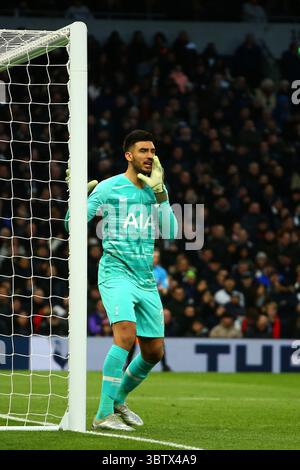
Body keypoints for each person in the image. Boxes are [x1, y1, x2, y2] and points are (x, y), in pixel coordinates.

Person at [65, 130, 178, 431]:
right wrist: (76, 199)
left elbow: (169, 232)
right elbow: (70, 225)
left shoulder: (154, 190)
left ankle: (119, 400)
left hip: (145, 278)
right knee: (126, 337)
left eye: (153, 151)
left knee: (154, 352)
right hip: (116, 272)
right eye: (143, 150)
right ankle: (103, 413)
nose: (150, 156)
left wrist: (162, 194)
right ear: (128, 155)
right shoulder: (108, 188)